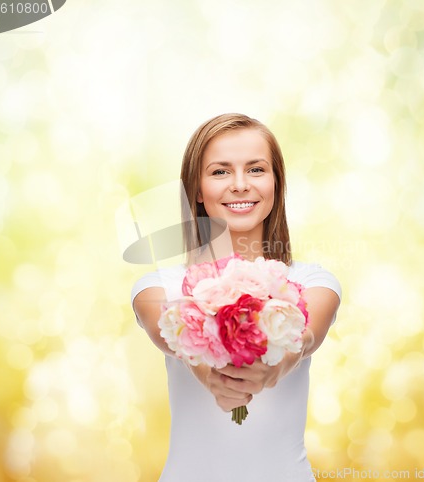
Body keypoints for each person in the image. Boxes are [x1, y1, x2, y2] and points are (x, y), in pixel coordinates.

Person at [131, 113, 341, 482]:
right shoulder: (159, 287)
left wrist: (278, 366)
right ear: (196, 189)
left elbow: (308, 335)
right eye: (220, 172)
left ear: (276, 183)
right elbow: (168, 334)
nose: (240, 185)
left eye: (256, 170)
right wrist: (209, 374)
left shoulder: (312, 281)